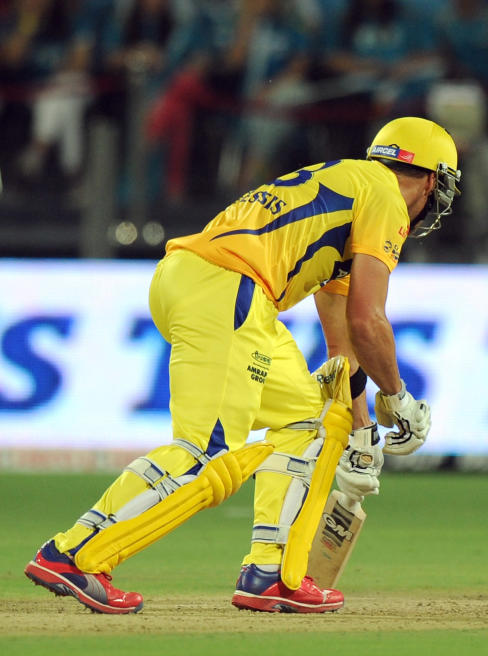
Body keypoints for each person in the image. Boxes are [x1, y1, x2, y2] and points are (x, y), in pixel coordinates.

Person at [24, 116, 462, 614]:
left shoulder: (350, 182)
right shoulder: (385, 197)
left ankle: (269, 574)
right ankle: (73, 553)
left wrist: (362, 433)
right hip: (229, 287)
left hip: (207, 284)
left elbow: (343, 349)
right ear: (431, 180)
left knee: (308, 417)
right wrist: (399, 399)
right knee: (205, 453)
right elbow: (369, 319)